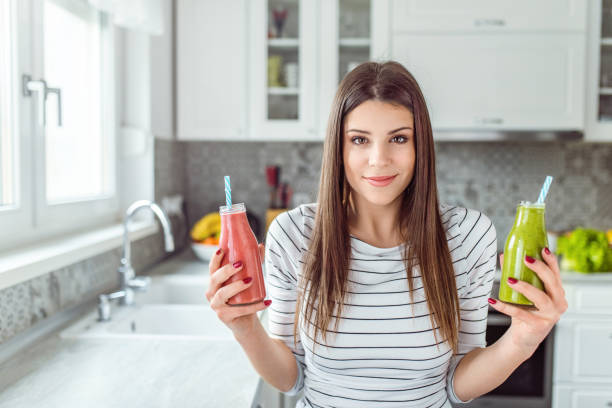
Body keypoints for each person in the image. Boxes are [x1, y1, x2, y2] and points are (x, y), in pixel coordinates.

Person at [206, 61, 568, 407]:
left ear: (419, 145)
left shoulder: (468, 235)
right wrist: (245, 328)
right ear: (339, 148)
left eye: (398, 138)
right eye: (360, 140)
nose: (379, 159)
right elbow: (292, 377)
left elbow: (459, 383)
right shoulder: (294, 235)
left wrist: (523, 339)